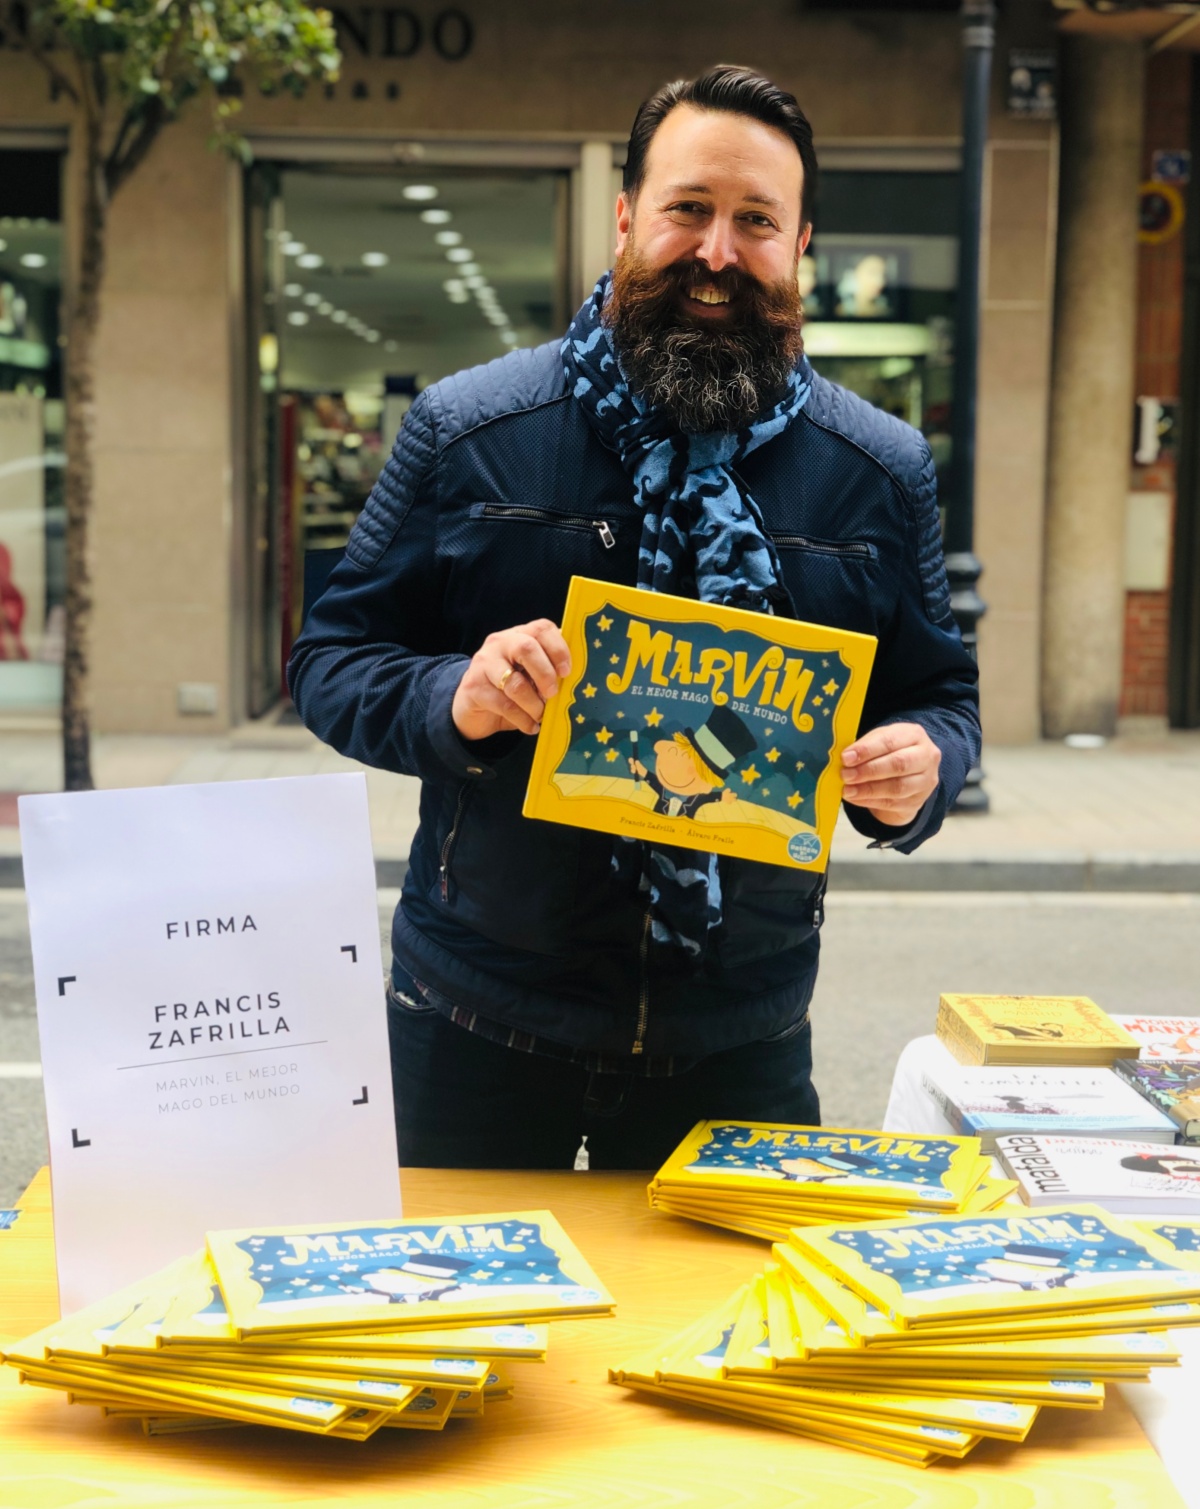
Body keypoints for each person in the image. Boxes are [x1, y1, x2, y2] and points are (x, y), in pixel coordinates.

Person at [288, 64, 981, 1172]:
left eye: (756, 220)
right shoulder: (469, 430)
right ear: (626, 219)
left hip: (738, 1045)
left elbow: (941, 698)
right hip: (471, 1026)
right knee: (458, 1340)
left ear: (803, 244)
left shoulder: (880, 470)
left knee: (718, 1345)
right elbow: (329, 662)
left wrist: (924, 765)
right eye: (688, 209)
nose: (717, 252)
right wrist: (449, 698)